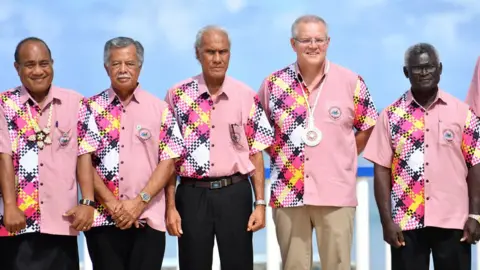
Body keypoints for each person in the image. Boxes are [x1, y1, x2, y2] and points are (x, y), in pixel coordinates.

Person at [258, 15, 379, 270]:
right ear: (293, 44)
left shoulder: (351, 82)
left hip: (336, 194)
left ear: (328, 42)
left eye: (319, 40)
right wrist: (281, 154)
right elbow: (259, 130)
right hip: (289, 193)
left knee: (337, 265)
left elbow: (369, 124)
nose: (313, 46)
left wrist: (345, 153)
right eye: (305, 40)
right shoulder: (274, 84)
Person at [164, 25, 274, 270]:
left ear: (230, 54)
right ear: (197, 53)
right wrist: (170, 207)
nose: (217, 58)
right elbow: (168, 156)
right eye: (210, 52)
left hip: (234, 193)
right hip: (191, 195)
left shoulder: (245, 95)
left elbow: (255, 153)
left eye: (222, 52)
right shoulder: (177, 95)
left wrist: (260, 204)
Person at [363, 43, 480, 270]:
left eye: (430, 67)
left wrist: (476, 215)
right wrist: (386, 221)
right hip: (406, 222)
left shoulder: (463, 113)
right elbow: (381, 170)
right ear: (406, 72)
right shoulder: (390, 115)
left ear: (440, 69)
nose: (424, 72)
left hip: (453, 221)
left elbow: (475, 164)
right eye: (417, 68)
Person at [83, 37, 184, 270]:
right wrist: (112, 204)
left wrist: (139, 203)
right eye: (116, 64)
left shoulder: (160, 110)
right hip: (103, 219)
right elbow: (83, 161)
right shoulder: (89, 109)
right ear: (106, 67)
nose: (123, 70)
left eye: (129, 63)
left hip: (148, 217)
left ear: (140, 67)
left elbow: (169, 161)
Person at [0, 37, 99, 270]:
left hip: (63, 220)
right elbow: (3, 156)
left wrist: (87, 202)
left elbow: (84, 156)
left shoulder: (76, 103)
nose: (38, 71)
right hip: (18, 222)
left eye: (44, 63)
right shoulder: (4, 104)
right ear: (17, 68)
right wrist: (10, 205)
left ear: (52, 64)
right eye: (29, 64)